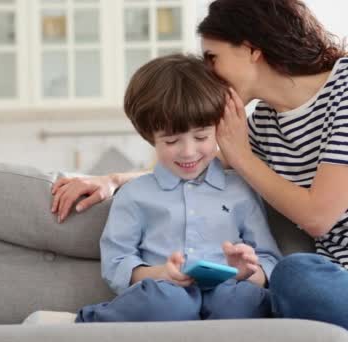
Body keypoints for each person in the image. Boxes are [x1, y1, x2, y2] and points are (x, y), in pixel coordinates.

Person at [51, 0, 348, 339]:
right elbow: (191, 169)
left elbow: (320, 214)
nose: (210, 73)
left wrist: (240, 156)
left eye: (214, 58)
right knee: (294, 273)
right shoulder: (261, 127)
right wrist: (113, 180)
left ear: (251, 49)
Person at [74, 54, 281, 322]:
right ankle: (91, 320)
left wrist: (247, 271)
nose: (188, 151)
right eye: (172, 141)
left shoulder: (241, 189)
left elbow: (270, 259)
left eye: (201, 137)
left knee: (238, 302)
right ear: (151, 137)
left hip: (230, 292)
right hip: (164, 294)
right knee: (170, 303)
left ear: (218, 128)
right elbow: (117, 261)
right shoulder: (135, 194)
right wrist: (160, 274)